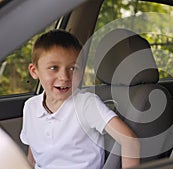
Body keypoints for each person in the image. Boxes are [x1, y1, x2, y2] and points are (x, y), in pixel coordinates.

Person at [20, 30, 140, 169]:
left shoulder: (86, 104)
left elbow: (129, 140)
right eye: (54, 68)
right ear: (34, 71)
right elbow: (33, 153)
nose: (64, 77)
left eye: (73, 68)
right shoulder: (30, 107)